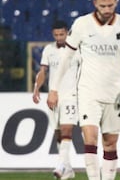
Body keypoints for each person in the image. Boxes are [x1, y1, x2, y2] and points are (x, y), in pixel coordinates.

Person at [47, 0, 120, 180]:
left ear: (115, 2)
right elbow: (66, 58)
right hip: (88, 91)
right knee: (89, 139)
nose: (107, 10)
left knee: (110, 143)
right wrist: (54, 88)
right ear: (95, 3)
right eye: (103, 6)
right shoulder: (82, 24)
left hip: (114, 92)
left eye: (110, 5)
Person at [32, 20, 80, 179]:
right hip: (54, 97)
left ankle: (60, 166)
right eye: (56, 35)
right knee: (58, 133)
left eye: (62, 34)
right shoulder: (49, 49)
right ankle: (68, 169)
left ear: (67, 33)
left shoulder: (78, 50)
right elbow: (43, 71)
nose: (59, 37)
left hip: (71, 96)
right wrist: (36, 88)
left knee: (67, 130)